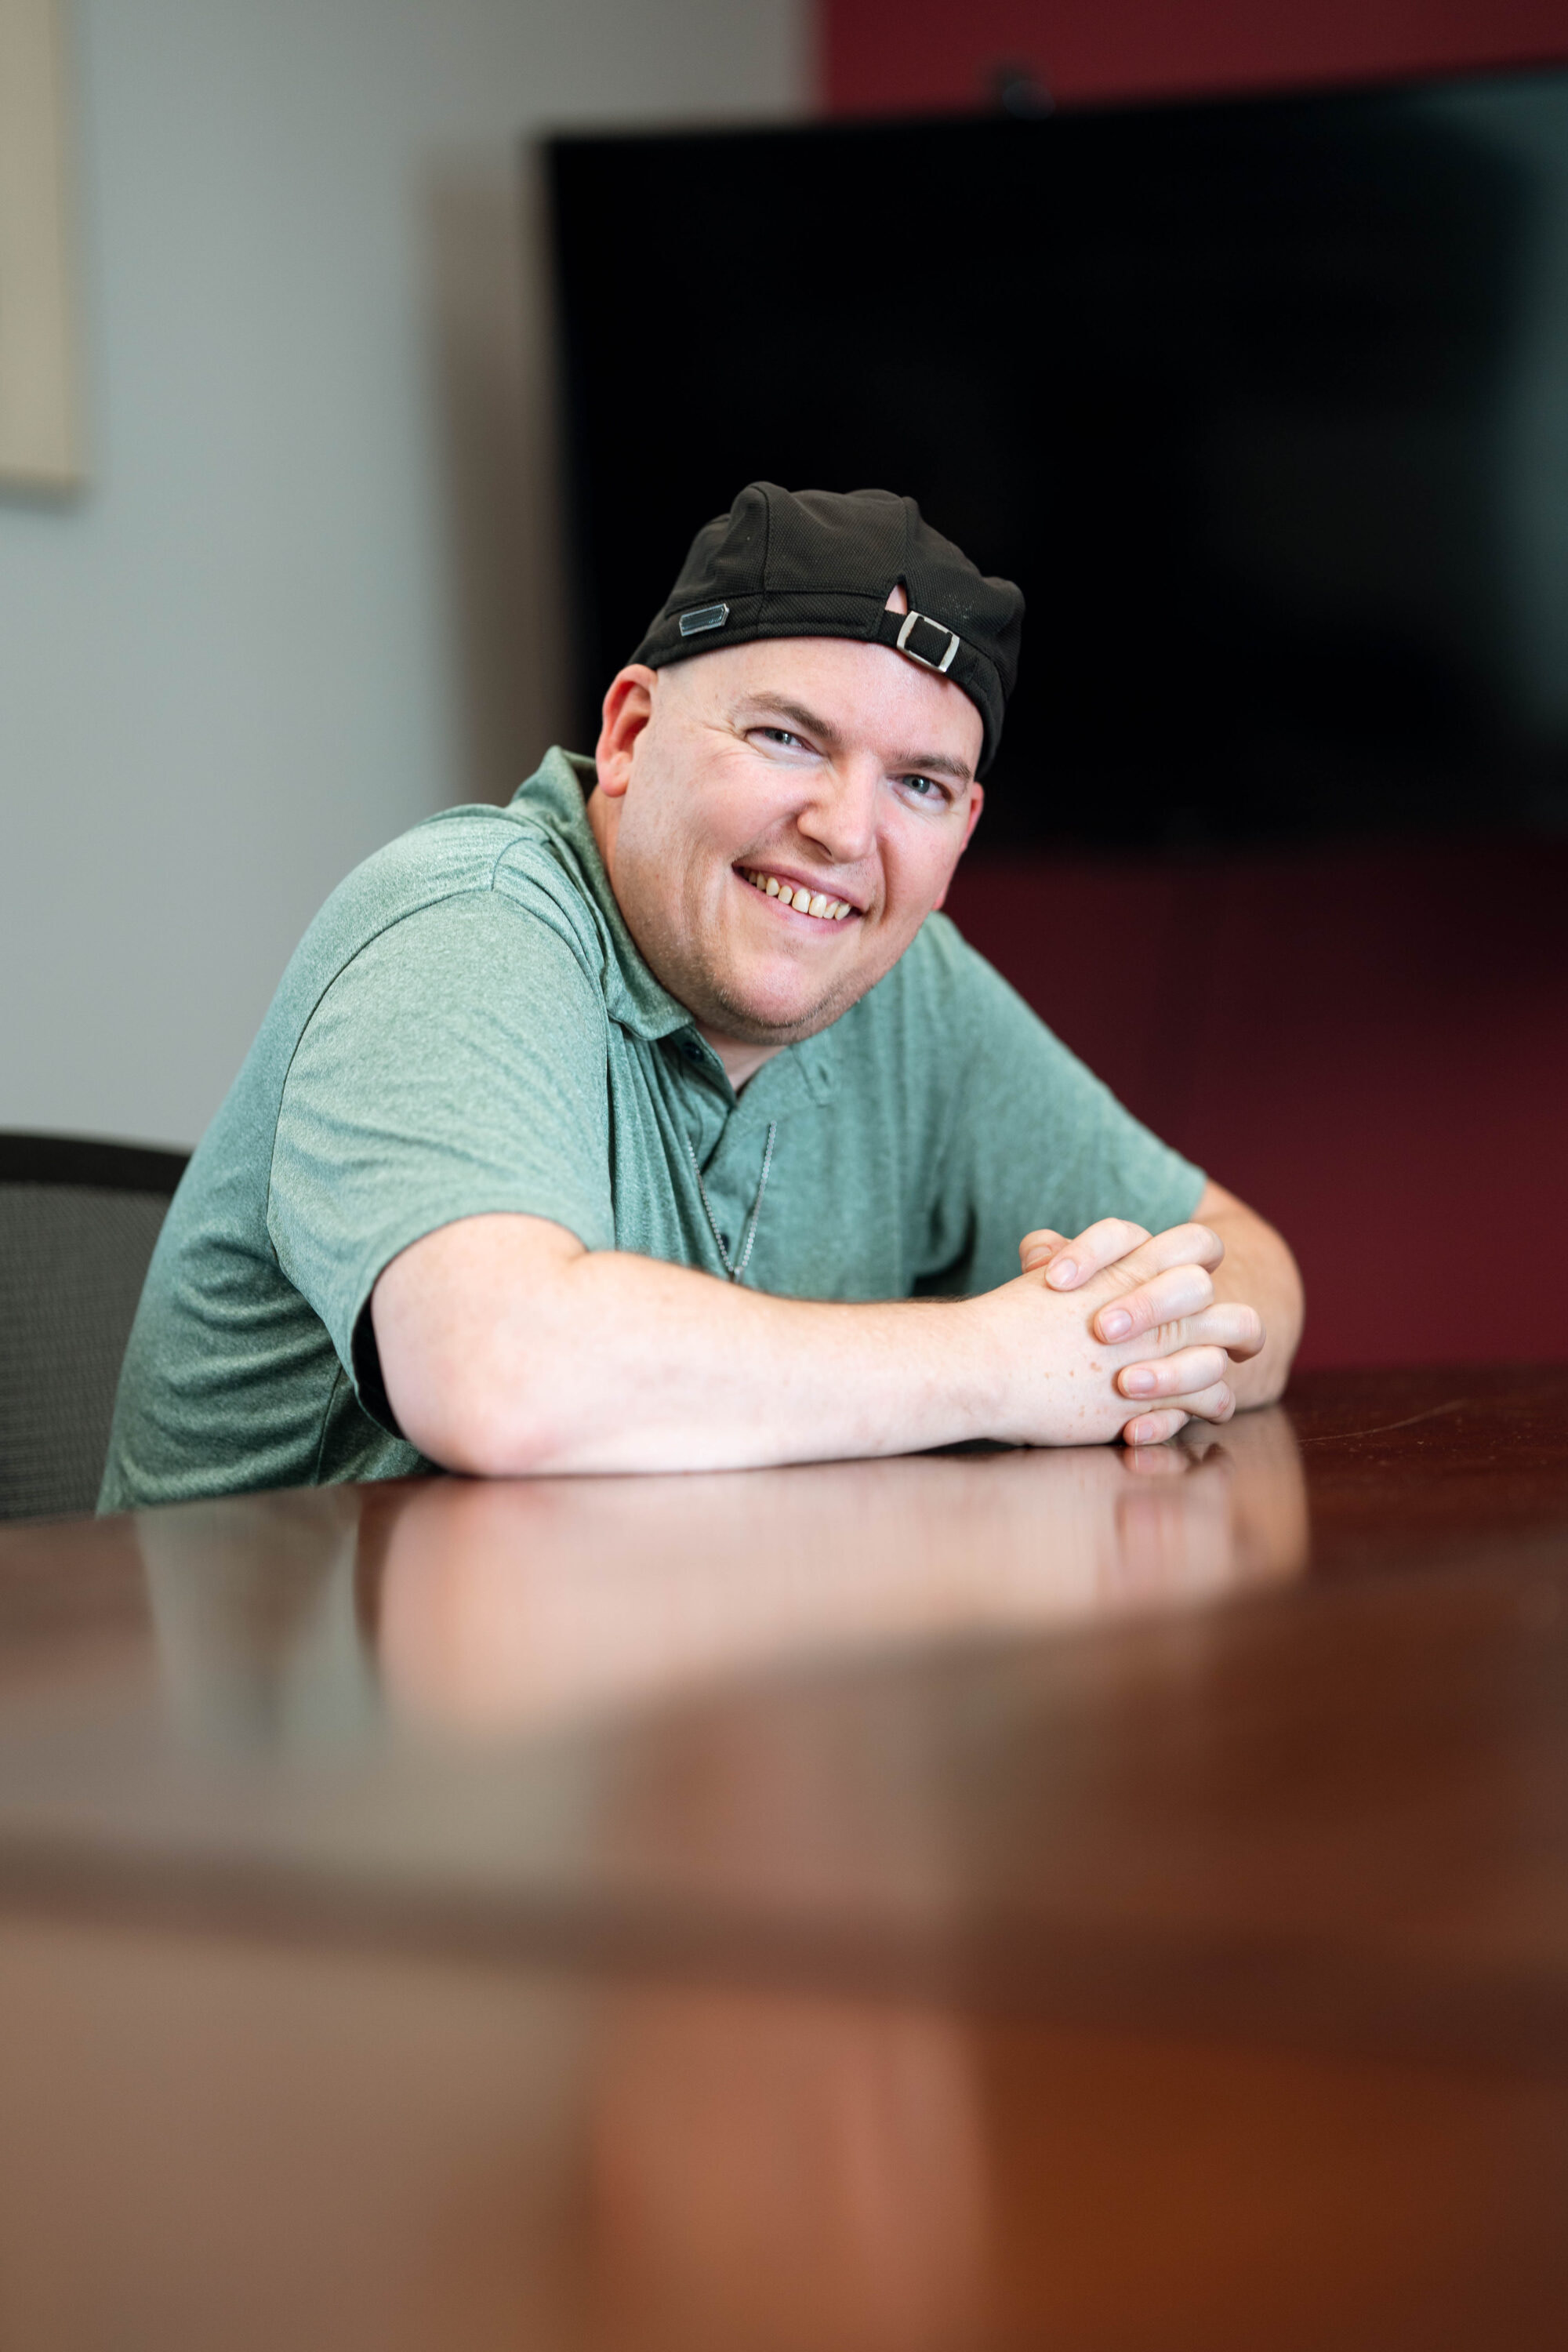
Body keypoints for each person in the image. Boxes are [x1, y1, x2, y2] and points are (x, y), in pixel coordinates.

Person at [101, 484, 1302, 1508]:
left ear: (963, 832)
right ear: (629, 735)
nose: (845, 832)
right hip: (281, 1767)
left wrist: (1134, 1354)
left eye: (921, 786)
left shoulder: (906, 984)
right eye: (787, 738)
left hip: (651, 1718)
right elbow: (501, 1375)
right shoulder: (465, 923)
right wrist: (1003, 1360)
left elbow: (1256, 1268)